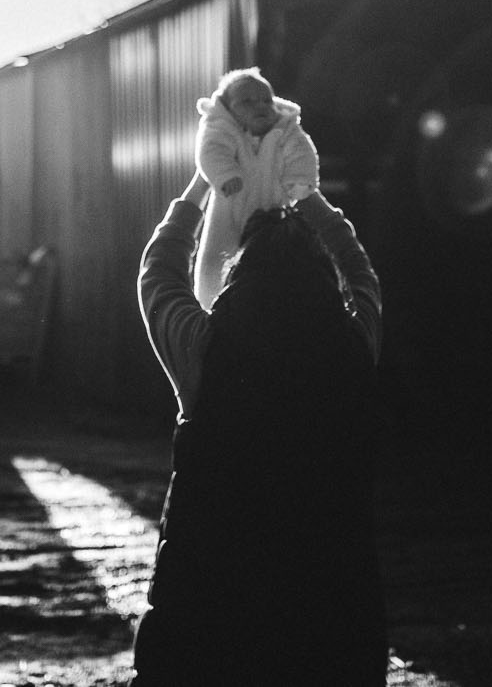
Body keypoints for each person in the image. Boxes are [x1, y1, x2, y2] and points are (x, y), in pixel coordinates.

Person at [131, 169, 387, 686]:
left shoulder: (204, 352)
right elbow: (362, 274)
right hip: (333, 612)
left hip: (209, 609)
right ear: (324, 278)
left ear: (237, 273)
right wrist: (307, 193)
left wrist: (201, 186)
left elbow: (157, 276)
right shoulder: (356, 345)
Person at [192, 67, 321, 310]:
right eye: (247, 102)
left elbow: (302, 152)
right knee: (218, 263)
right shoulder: (221, 126)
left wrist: (300, 179)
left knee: (279, 264)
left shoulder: (286, 128)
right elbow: (210, 150)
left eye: (266, 100)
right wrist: (224, 173)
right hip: (231, 209)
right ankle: (214, 305)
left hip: (275, 212)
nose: (259, 106)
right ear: (228, 109)